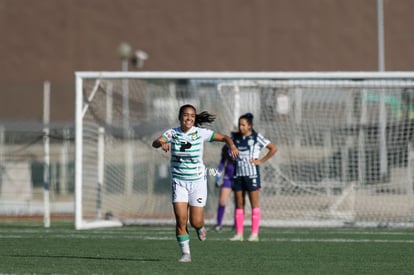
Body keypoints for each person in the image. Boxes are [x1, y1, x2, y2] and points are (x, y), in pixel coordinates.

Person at [152, 104, 238, 262]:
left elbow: (225, 137)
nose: (189, 118)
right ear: (180, 117)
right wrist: (161, 143)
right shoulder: (172, 133)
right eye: (185, 115)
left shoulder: (201, 133)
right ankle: (186, 253)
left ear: (194, 118)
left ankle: (200, 228)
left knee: (195, 221)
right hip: (179, 182)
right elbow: (156, 142)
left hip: (198, 182)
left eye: (192, 115)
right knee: (181, 219)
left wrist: (231, 145)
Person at [229, 113, 277, 242]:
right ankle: (239, 234)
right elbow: (228, 147)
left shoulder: (256, 137)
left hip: (252, 175)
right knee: (239, 204)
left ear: (250, 126)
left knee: (254, 204)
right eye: (240, 124)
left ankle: (254, 233)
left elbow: (273, 148)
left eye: (243, 125)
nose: (241, 127)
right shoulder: (234, 137)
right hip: (238, 174)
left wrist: (261, 161)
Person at [214, 143, 236, 232]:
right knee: (222, 201)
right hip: (228, 178)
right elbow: (222, 162)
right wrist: (218, 177)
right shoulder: (226, 147)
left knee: (238, 202)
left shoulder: (243, 144)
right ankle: (219, 224)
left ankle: (236, 225)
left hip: (239, 177)